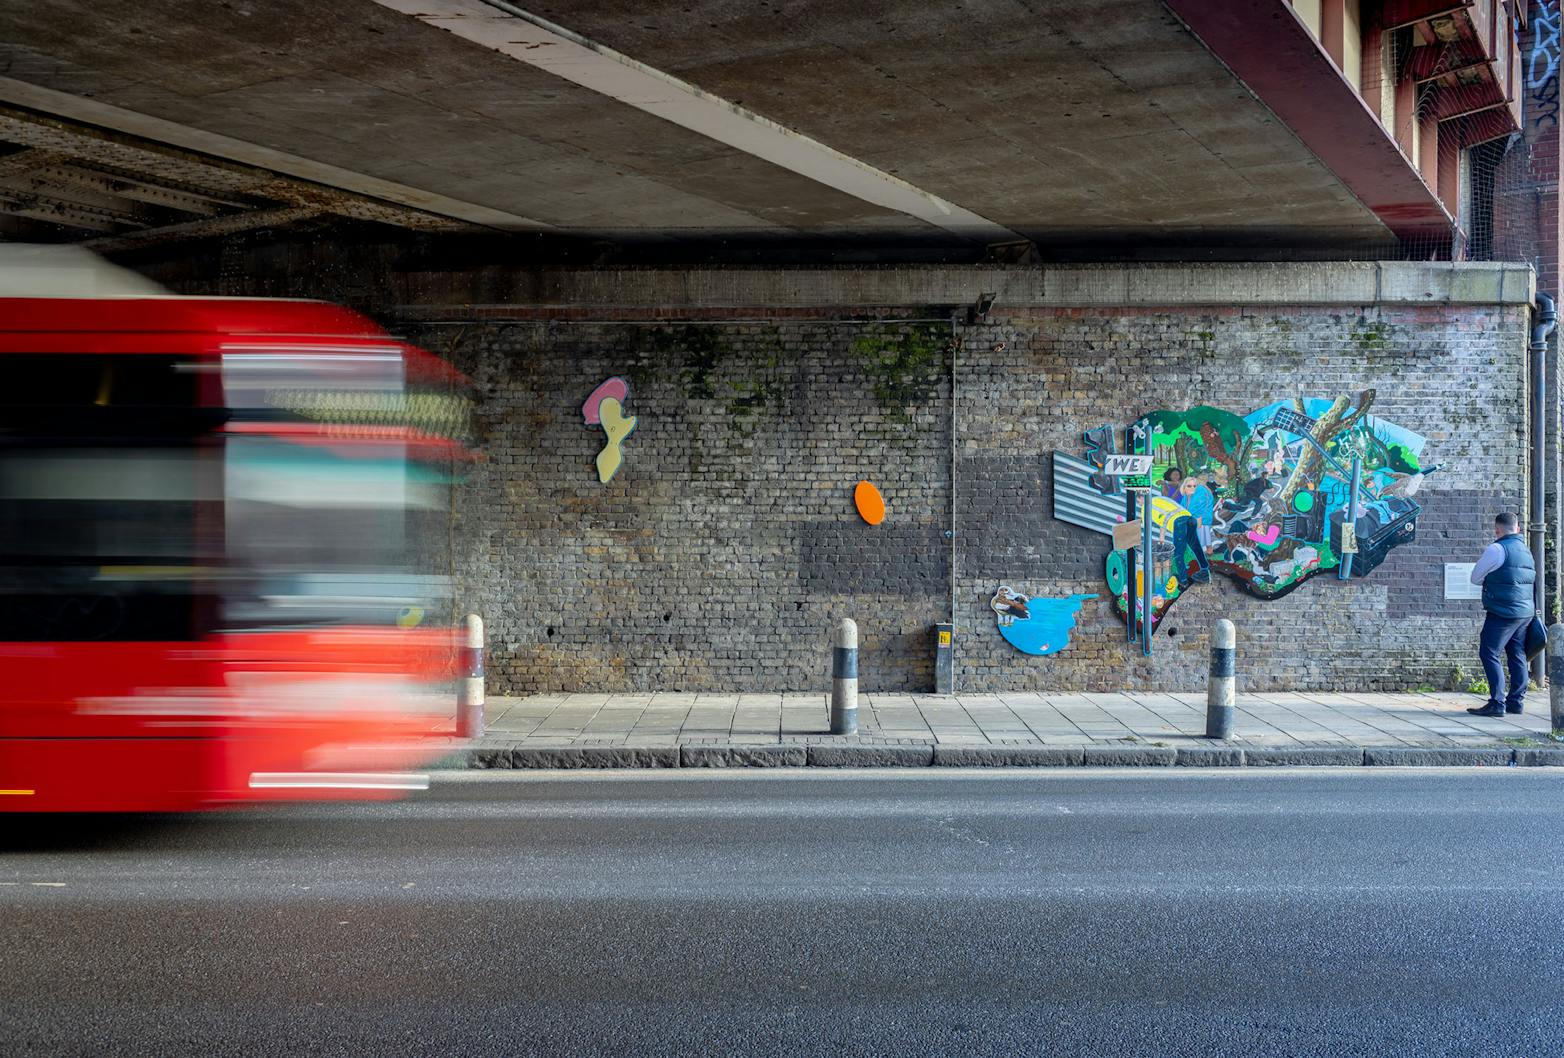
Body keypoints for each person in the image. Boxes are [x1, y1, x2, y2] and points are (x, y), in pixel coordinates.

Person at [1467, 512, 1535, 717]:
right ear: (1518, 529)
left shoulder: (1497, 549)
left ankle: (1497, 702)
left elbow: (1475, 577)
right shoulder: (1526, 550)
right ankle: (1516, 701)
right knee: (1517, 654)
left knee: (1489, 652)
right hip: (1524, 612)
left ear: (1497, 530)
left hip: (1502, 610)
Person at [1179, 474, 1216, 550]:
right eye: (1189, 486)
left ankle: (1205, 550)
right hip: (1195, 518)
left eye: (1194, 486)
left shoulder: (1200, 493)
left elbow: (1199, 508)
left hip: (1202, 518)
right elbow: (1182, 508)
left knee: (1201, 537)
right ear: (1184, 487)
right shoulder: (1186, 496)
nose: (1192, 488)